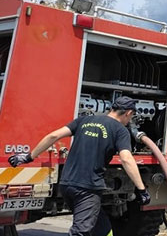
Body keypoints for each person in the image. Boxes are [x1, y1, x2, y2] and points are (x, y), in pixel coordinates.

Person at [8, 96, 151, 236]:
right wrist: (141, 189)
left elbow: (53, 136)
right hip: (87, 188)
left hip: (67, 185)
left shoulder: (84, 120)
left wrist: (28, 157)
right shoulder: (120, 130)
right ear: (128, 113)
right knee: (81, 231)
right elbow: (126, 159)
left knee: (102, 228)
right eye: (131, 117)